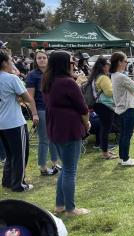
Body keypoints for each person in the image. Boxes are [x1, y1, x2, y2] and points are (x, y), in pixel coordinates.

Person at [42, 51, 90, 216]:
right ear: (64, 64)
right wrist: (87, 123)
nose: (74, 64)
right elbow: (83, 108)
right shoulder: (67, 83)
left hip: (55, 129)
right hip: (69, 129)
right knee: (70, 170)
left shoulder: (48, 80)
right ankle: (71, 209)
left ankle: (60, 205)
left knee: (66, 169)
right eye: (71, 62)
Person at [0, 50, 38, 192]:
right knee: (20, 154)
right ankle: (19, 184)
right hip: (14, 122)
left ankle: (7, 181)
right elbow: (27, 98)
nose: (12, 64)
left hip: (1, 123)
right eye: (10, 61)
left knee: (10, 154)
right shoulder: (12, 78)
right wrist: (33, 112)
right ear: (4, 62)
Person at [25, 50, 61, 176]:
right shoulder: (32, 75)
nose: (41, 60)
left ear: (48, 59)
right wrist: (34, 114)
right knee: (44, 139)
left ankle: (55, 162)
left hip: (54, 109)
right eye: (39, 58)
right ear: (35, 60)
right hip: (41, 110)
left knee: (54, 137)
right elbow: (30, 97)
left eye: (44, 57)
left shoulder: (53, 73)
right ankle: (43, 167)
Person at [110, 52, 134, 166]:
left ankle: (122, 158)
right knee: (127, 135)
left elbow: (130, 87)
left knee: (123, 135)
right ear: (119, 62)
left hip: (121, 109)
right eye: (126, 61)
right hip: (127, 109)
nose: (127, 63)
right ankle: (125, 159)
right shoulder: (120, 76)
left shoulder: (115, 75)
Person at [88, 56, 117, 160]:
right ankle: (105, 153)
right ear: (104, 66)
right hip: (105, 105)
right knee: (106, 129)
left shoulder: (95, 76)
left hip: (98, 105)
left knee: (104, 128)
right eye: (108, 65)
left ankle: (105, 150)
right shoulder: (103, 78)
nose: (109, 66)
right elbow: (109, 92)